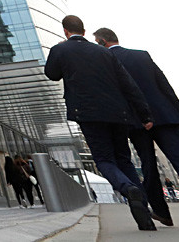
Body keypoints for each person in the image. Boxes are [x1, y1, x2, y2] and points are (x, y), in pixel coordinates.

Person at [93, 27, 179, 229]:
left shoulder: (104, 61)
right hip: (165, 117)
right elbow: (163, 84)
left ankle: (162, 213)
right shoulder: (142, 55)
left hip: (135, 122)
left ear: (102, 42)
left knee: (149, 168)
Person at [44, 14, 156, 231]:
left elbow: (52, 74)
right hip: (118, 113)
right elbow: (128, 84)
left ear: (65, 31)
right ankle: (144, 214)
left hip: (88, 113)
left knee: (104, 159)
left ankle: (126, 188)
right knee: (124, 159)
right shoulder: (104, 52)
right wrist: (145, 114)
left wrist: (58, 49)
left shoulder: (61, 50)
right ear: (84, 32)